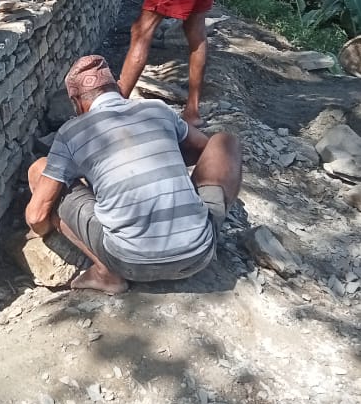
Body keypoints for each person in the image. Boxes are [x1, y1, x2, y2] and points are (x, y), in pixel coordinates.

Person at [25, 54, 242, 294]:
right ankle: (190, 226)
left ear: (77, 103)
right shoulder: (157, 109)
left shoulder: (71, 132)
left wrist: (49, 228)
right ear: (117, 89)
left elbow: (36, 216)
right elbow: (203, 149)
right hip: (198, 254)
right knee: (224, 142)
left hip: (127, 263)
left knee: (40, 169)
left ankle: (106, 274)